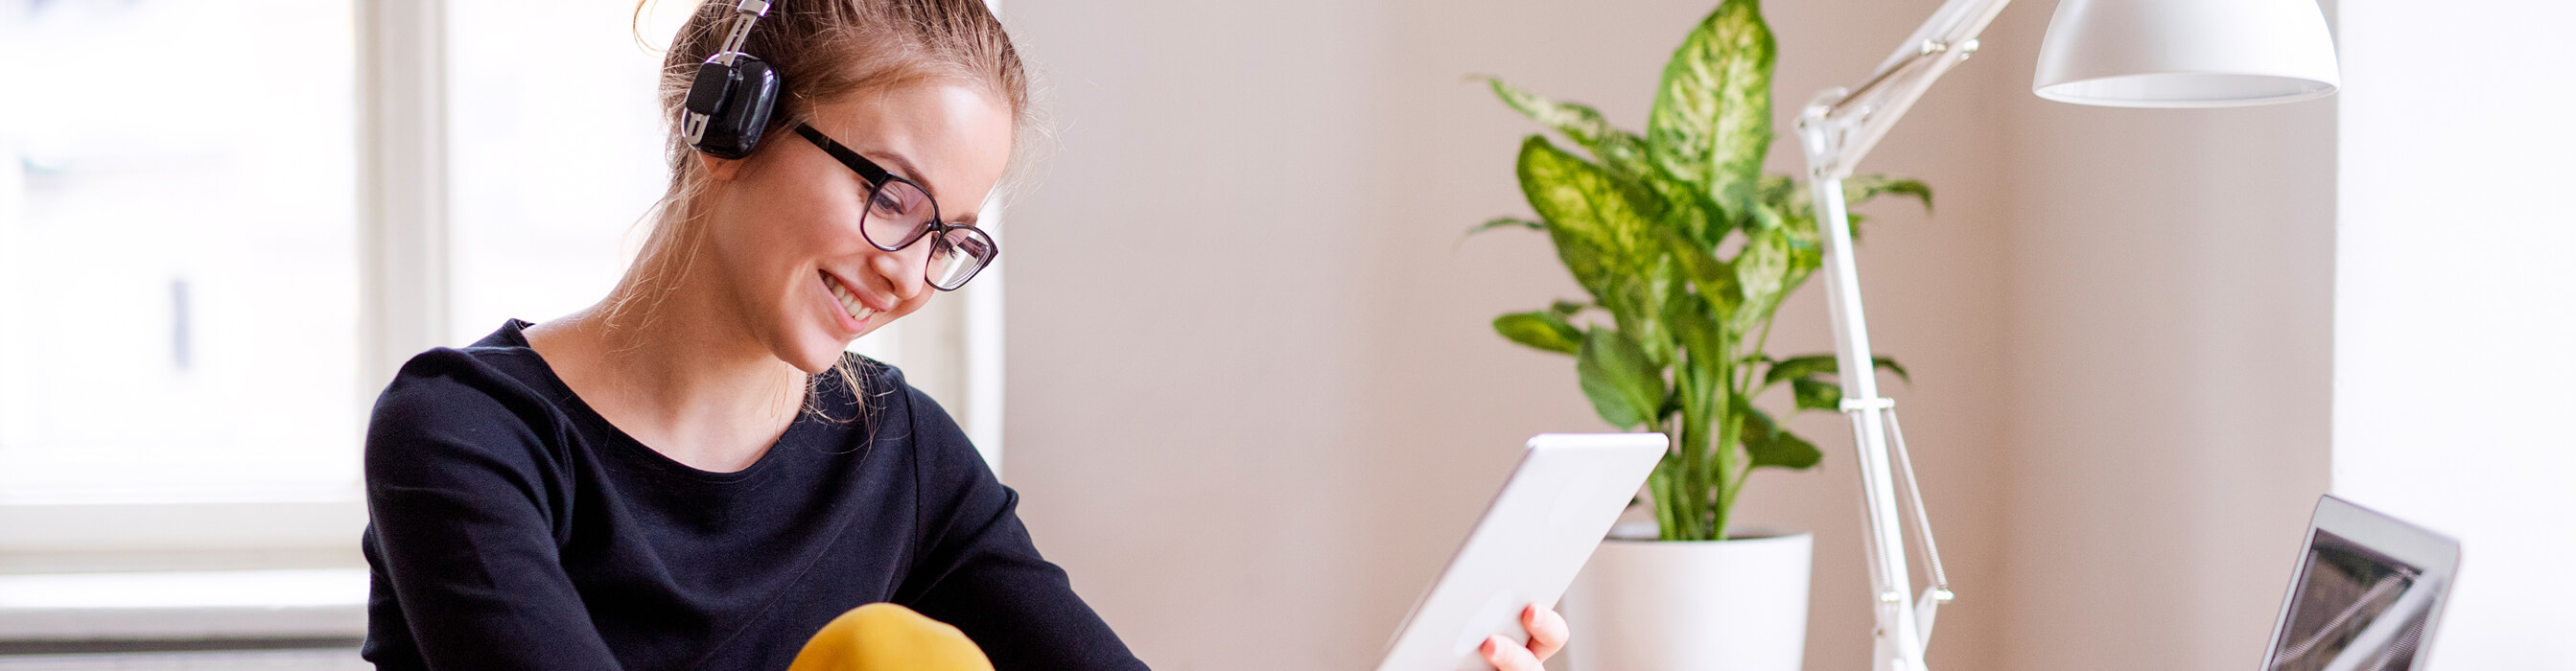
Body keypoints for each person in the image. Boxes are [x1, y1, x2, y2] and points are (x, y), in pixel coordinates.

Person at [356, 1, 1568, 669]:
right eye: (890, 192)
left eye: (950, 237)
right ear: (732, 124)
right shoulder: (466, 432)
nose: (908, 271)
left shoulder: (899, 450)